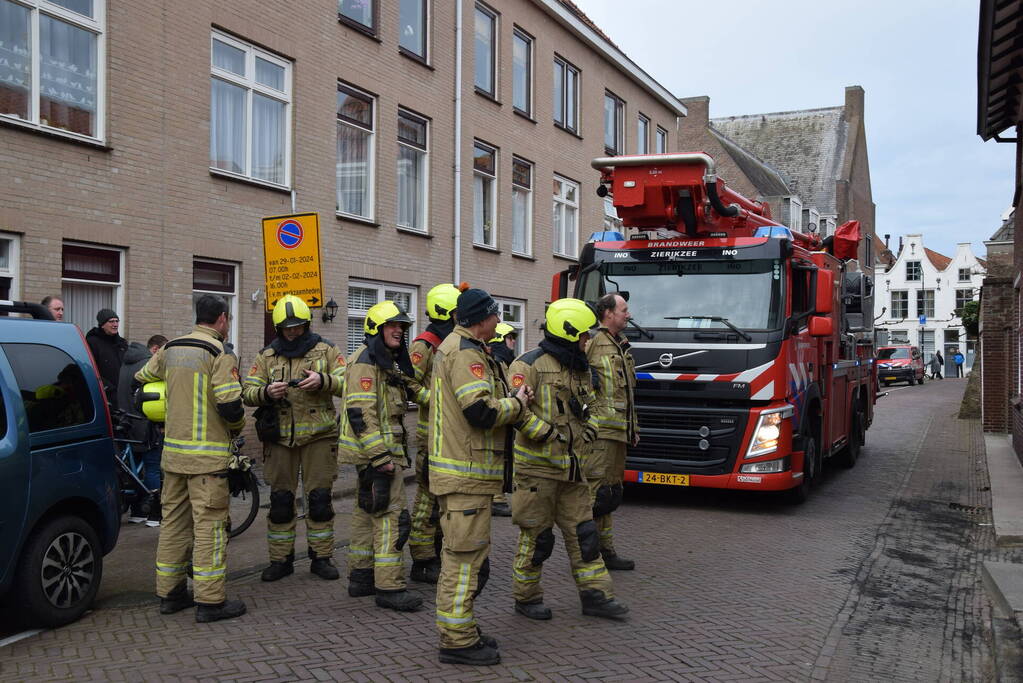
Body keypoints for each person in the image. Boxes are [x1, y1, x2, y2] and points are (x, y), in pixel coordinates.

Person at [507, 298, 629, 623]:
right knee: (537, 539)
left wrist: (591, 427)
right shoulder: (527, 365)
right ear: (569, 332)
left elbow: (592, 403)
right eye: (584, 335)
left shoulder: (579, 367)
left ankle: (596, 595)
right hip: (537, 473)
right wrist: (547, 434)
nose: (588, 341)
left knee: (585, 535)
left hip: (574, 470)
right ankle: (527, 597)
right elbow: (516, 412)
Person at [429, 285, 530, 666]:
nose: (500, 321)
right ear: (481, 318)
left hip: (466, 476)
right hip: (464, 477)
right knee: (462, 560)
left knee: (468, 558)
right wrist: (516, 404)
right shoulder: (465, 353)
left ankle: (463, 629)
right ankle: (456, 641)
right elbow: (480, 412)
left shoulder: (465, 349)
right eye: (495, 315)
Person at [135, 294, 247, 623]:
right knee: (210, 528)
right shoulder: (219, 352)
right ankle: (211, 602)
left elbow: (142, 379)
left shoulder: (170, 348)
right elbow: (230, 405)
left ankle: (170, 595)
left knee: (173, 526)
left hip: (172, 456)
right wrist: (237, 427)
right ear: (222, 319)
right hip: (207, 462)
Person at [242, 295, 347, 582]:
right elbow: (247, 392)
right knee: (280, 502)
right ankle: (280, 561)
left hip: (319, 438)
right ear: (278, 328)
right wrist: (266, 393)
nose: (293, 332)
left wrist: (324, 381)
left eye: (298, 327)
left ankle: (321, 558)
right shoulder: (266, 356)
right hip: (280, 441)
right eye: (287, 328)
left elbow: (347, 381)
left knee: (320, 500)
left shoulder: (327, 350)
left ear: (307, 324)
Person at [338, 300, 426, 611]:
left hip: (373, 456)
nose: (400, 331)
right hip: (379, 456)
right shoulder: (366, 363)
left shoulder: (381, 360)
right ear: (376, 329)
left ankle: (360, 578)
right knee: (393, 518)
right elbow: (360, 414)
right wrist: (380, 457)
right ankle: (389, 587)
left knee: (366, 513)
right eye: (393, 326)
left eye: (402, 326)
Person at [407, 283, 461, 586]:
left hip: (450, 435)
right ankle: (422, 559)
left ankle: (437, 552)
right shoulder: (424, 345)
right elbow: (408, 384)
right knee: (426, 500)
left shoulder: (453, 343)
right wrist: (435, 399)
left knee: (443, 499)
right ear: (446, 312)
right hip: (430, 437)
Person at [585, 292, 640, 571]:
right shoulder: (593, 343)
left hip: (618, 435)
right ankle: (589, 553)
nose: (628, 314)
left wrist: (634, 428)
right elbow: (578, 383)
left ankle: (606, 551)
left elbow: (627, 394)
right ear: (608, 313)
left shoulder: (620, 345)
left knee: (610, 494)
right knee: (595, 495)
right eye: (624, 310)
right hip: (600, 435)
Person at [119, 334, 168, 526]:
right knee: (153, 467)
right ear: (155, 349)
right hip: (146, 423)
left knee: (135, 469)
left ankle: (137, 512)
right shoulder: (148, 365)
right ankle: (155, 515)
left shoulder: (125, 363)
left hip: (127, 420)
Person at [487, 322, 519, 517]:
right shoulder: (497, 362)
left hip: (505, 419)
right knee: (498, 458)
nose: (513, 341)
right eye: (510, 338)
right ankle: (497, 498)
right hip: (499, 419)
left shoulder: (504, 362)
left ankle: (498, 497)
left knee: (504, 458)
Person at [87, 308, 128, 405]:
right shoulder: (92, 342)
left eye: (117, 321)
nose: (115, 324)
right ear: (102, 325)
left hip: (123, 394)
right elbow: (91, 369)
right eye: (111, 321)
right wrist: (108, 389)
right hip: (104, 396)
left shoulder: (122, 343)